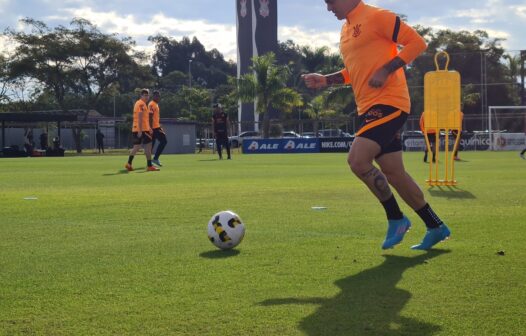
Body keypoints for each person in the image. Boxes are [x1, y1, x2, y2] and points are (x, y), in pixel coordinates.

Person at [303, 0, 450, 250]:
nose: (328, 8)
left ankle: (396, 218)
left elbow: (417, 43)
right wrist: (326, 80)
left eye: (330, 1)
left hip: (390, 103)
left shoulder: (378, 16)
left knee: (357, 161)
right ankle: (435, 225)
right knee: (394, 173)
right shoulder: (346, 30)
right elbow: (354, 69)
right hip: (367, 108)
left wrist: (386, 69)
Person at [125, 89, 159, 172]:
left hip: (141, 128)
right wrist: (140, 130)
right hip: (141, 129)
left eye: (147, 95)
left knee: (136, 147)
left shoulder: (143, 104)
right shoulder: (140, 103)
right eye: (145, 95)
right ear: (141, 96)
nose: (146, 97)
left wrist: (149, 128)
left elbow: (145, 119)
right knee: (148, 145)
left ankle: (129, 163)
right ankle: (149, 166)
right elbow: (140, 117)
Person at [149, 91, 167, 166]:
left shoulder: (156, 104)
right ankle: (155, 159)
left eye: (159, 96)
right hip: (154, 128)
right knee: (164, 141)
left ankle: (149, 162)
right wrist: (150, 128)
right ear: (153, 96)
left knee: (151, 146)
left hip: (156, 127)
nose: (158, 97)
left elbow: (155, 117)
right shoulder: (152, 104)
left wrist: (159, 125)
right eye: (156, 96)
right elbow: (150, 116)